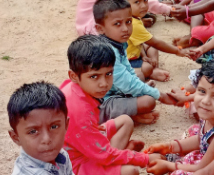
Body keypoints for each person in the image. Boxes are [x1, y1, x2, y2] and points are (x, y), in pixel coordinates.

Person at [61, 35, 163, 175]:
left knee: (125, 121)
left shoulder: (76, 89)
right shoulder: (80, 111)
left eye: (108, 74)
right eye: (94, 76)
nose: (104, 83)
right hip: (74, 165)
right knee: (131, 171)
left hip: (86, 146)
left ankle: (117, 157)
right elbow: (103, 153)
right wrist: (145, 159)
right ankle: (116, 158)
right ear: (74, 76)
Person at [144, 56, 214, 174]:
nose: (205, 101)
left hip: (211, 169)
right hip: (205, 156)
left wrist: (168, 166)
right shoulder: (212, 116)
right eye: (202, 91)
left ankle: (173, 163)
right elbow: (200, 139)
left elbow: (202, 169)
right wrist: (169, 147)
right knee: (194, 130)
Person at [94, 0, 180, 124]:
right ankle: (128, 117)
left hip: (115, 90)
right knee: (148, 101)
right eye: (117, 24)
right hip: (102, 102)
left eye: (128, 22)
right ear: (100, 29)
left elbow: (127, 71)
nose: (125, 28)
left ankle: (130, 113)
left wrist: (142, 88)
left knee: (139, 75)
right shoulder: (107, 52)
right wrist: (160, 95)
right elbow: (126, 83)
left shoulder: (117, 42)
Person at [117, 0, 186, 82]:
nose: (144, 5)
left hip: (134, 50)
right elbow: (156, 43)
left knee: (150, 47)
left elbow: (137, 42)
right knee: (147, 66)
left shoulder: (132, 16)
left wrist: (144, 55)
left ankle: (154, 68)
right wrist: (177, 51)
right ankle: (151, 72)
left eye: (145, 0)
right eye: (137, 2)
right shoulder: (132, 23)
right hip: (128, 60)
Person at [8, 82, 73, 175]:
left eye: (54, 127)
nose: (46, 139)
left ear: (66, 125)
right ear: (16, 137)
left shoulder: (61, 155)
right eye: (33, 131)